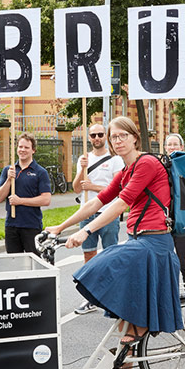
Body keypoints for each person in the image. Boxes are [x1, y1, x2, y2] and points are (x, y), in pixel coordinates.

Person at [46, 117, 183, 369]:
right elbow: (97, 202)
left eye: (122, 136)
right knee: (128, 307)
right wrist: (60, 227)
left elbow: (121, 203)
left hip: (154, 245)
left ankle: (136, 334)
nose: (117, 141)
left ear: (135, 138)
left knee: (101, 267)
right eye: (113, 137)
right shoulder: (126, 170)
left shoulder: (146, 163)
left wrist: (86, 232)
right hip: (139, 241)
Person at [71, 123, 124, 315]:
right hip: (87, 212)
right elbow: (76, 188)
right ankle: (91, 296)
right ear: (89, 137)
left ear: (105, 136)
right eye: (93, 135)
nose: (97, 138)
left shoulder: (115, 159)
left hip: (108, 213)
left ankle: (112, 295)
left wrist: (93, 187)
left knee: (110, 254)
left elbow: (118, 188)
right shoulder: (84, 158)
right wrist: (81, 170)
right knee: (89, 255)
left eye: (100, 134)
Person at [0, 133, 52, 255]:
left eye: (26, 147)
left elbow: (46, 199)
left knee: (34, 261)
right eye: (20, 147)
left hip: (31, 225)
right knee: (14, 261)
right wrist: (8, 180)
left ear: (33, 150)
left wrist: (20, 201)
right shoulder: (8, 170)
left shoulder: (40, 172)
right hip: (12, 225)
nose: (22, 150)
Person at [164, 133, 185, 292]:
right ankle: (171, 298)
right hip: (164, 220)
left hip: (182, 219)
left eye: (175, 144)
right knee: (168, 263)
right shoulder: (161, 164)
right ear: (165, 148)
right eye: (169, 145)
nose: (172, 147)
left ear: (182, 147)